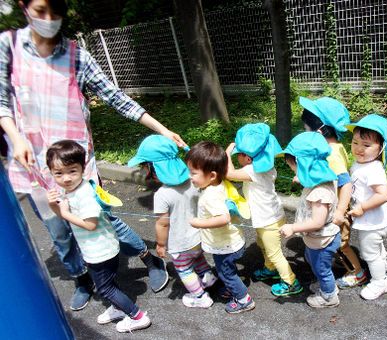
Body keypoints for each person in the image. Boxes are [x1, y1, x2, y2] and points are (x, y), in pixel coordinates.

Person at [0, 0, 182, 310]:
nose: (49, 19)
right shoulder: (8, 45)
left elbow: (116, 98)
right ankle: (81, 278)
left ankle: (147, 258)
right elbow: (2, 100)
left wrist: (162, 129)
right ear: (24, 6)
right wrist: (15, 139)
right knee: (57, 229)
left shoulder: (76, 56)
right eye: (41, 10)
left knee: (102, 217)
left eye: (55, 12)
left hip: (76, 161)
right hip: (34, 163)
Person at [45, 140, 151, 333]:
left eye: (72, 171)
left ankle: (137, 316)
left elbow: (90, 225)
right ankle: (118, 307)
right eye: (58, 173)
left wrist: (65, 213)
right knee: (108, 282)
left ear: (83, 168)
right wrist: (55, 206)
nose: (66, 178)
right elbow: (65, 212)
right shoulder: (71, 190)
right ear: (51, 172)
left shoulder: (83, 194)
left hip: (101, 250)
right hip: (97, 248)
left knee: (105, 288)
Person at [127, 135, 217, 309]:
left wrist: (161, 244)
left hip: (181, 242)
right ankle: (209, 277)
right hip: (200, 236)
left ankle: (200, 297)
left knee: (184, 270)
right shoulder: (193, 182)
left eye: (144, 166)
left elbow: (162, 223)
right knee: (197, 257)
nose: (143, 170)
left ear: (155, 168)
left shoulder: (162, 194)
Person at [225, 123, 302, 297]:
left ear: (249, 158)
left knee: (275, 253)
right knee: (262, 244)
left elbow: (229, 174)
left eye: (240, 155)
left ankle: (291, 282)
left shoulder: (253, 171)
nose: (238, 158)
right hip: (270, 216)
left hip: (268, 220)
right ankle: (270, 268)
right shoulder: (265, 167)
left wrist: (227, 153)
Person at [299, 96, 367, 289]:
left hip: (338, 209)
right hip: (331, 205)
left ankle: (357, 272)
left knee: (341, 244)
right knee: (334, 243)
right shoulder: (329, 147)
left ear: (320, 131)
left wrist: (339, 212)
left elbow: (345, 184)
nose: (305, 131)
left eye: (307, 129)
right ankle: (338, 259)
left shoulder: (332, 152)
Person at [185, 141, 255, 314]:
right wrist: (228, 150)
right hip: (230, 240)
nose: (190, 176)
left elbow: (223, 218)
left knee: (225, 273)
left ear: (212, 175)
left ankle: (243, 299)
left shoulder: (211, 196)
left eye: (194, 173)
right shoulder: (218, 183)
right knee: (227, 270)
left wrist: (198, 223)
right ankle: (234, 288)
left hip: (225, 245)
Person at [279, 132, 342, 308]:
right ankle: (326, 285)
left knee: (321, 269)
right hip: (318, 240)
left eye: (294, 168)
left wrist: (293, 228)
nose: (293, 171)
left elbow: (317, 222)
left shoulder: (319, 193)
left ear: (304, 165)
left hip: (322, 240)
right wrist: (303, 178)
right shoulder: (322, 178)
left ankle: (329, 296)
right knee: (314, 261)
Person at [344, 114, 387, 300]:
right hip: (372, 222)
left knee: (369, 253)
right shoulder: (360, 164)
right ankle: (386, 262)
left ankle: (380, 282)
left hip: (373, 223)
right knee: (376, 247)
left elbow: (384, 194)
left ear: (381, 148)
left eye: (366, 145)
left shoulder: (373, 169)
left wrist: (362, 207)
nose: (359, 149)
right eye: (355, 142)